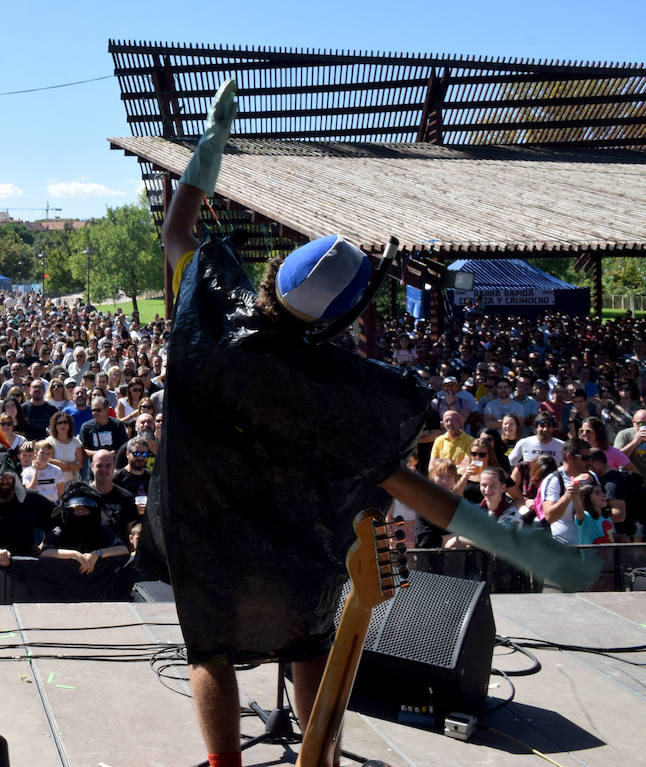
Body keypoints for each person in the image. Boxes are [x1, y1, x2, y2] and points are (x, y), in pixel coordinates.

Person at [150, 79, 596, 767]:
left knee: (209, 647)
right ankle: (319, 757)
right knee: (309, 637)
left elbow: (179, 228)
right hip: (298, 541)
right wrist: (513, 542)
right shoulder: (338, 391)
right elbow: (414, 488)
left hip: (204, 527)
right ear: (338, 319)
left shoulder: (211, 305)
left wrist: (210, 147)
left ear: (272, 278)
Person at [0, 451, 54, 563]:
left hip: (26, 565)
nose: (5, 481)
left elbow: (55, 518)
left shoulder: (31, 497)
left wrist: (44, 546)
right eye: (0, 477)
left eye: (9, 476)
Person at [40, 486, 129, 575]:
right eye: (77, 510)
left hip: (96, 580)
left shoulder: (101, 530)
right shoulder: (59, 530)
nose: (80, 513)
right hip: (64, 579)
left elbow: (123, 549)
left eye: (84, 510)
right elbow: (45, 552)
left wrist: (97, 554)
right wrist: (74, 554)